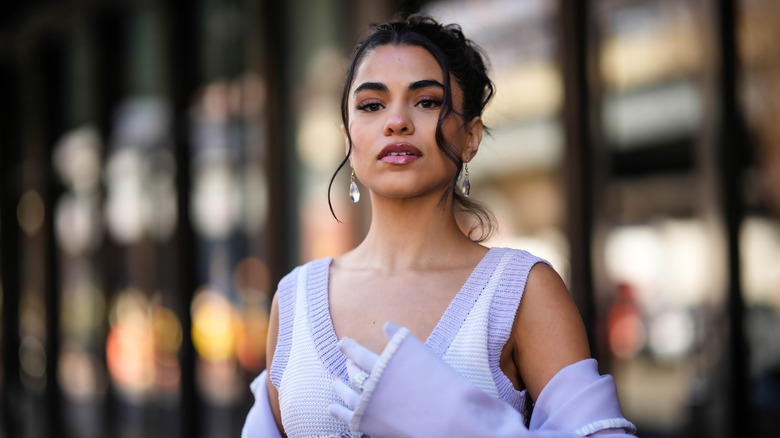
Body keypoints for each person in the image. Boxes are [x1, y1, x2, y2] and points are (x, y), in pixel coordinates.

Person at [243, 14, 636, 438]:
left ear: (471, 136)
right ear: (348, 141)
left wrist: (460, 420)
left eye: (427, 101)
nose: (397, 121)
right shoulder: (296, 299)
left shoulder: (519, 291)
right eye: (372, 105)